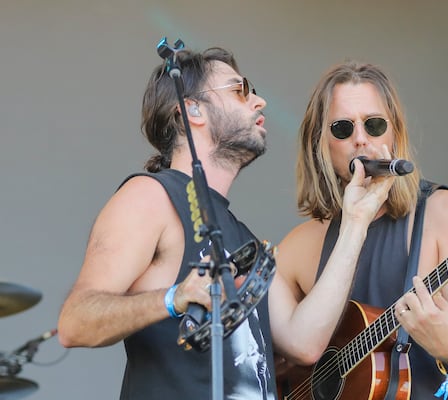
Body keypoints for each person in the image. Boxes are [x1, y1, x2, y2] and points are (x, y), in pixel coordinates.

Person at [56, 47, 395, 400]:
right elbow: (75, 322)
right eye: (239, 90)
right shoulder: (150, 197)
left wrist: (357, 220)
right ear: (192, 109)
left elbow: (304, 343)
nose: (259, 101)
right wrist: (175, 298)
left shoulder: (242, 240)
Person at [275, 60, 448, 399]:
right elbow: (277, 359)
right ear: (320, 143)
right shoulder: (300, 246)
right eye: (343, 129)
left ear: (394, 134)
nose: (361, 139)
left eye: (374, 125)